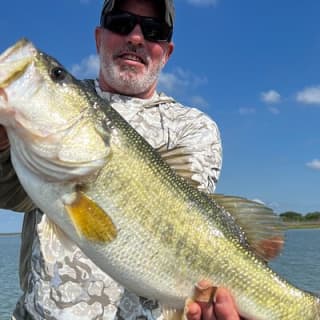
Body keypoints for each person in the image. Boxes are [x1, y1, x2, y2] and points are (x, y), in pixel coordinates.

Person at [0, 0, 242, 319]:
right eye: (121, 22)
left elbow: (187, 230)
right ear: (99, 37)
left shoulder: (193, 128)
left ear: (167, 52)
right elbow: (13, 195)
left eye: (153, 30)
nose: (137, 38)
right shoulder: (39, 130)